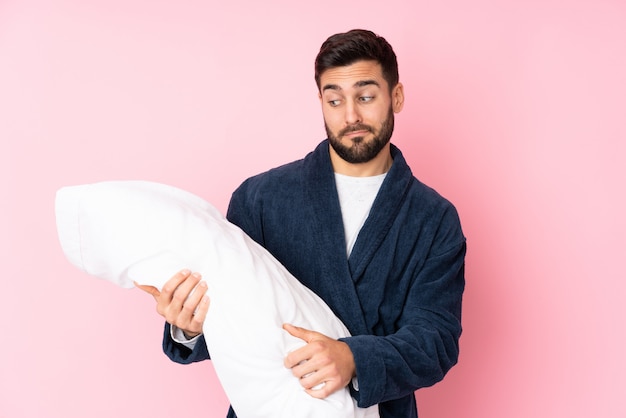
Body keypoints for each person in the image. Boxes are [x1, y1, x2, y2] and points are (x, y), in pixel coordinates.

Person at [138, 29, 466, 418]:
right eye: (334, 100)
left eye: (365, 97)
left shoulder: (434, 217)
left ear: (396, 97)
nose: (351, 116)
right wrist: (189, 327)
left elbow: (436, 340)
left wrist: (353, 358)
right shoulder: (260, 198)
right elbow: (231, 325)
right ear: (320, 101)